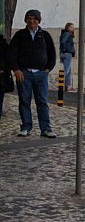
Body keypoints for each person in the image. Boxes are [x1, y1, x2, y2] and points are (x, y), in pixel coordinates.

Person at [9, 9, 57, 138]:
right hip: (24, 74)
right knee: (24, 101)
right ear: (26, 20)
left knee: (42, 101)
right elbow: (12, 54)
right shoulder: (20, 35)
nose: (32, 21)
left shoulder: (45, 35)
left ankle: (46, 128)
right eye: (29, 18)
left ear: (38, 21)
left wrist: (47, 70)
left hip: (41, 74)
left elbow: (52, 54)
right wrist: (16, 69)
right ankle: (26, 127)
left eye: (34, 19)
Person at [60, 22, 75, 91]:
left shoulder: (64, 34)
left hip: (64, 53)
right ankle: (57, 81)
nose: (73, 28)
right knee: (66, 70)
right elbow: (63, 42)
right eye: (71, 27)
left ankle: (68, 86)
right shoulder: (67, 34)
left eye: (73, 27)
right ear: (67, 27)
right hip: (67, 53)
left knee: (68, 70)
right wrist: (65, 51)